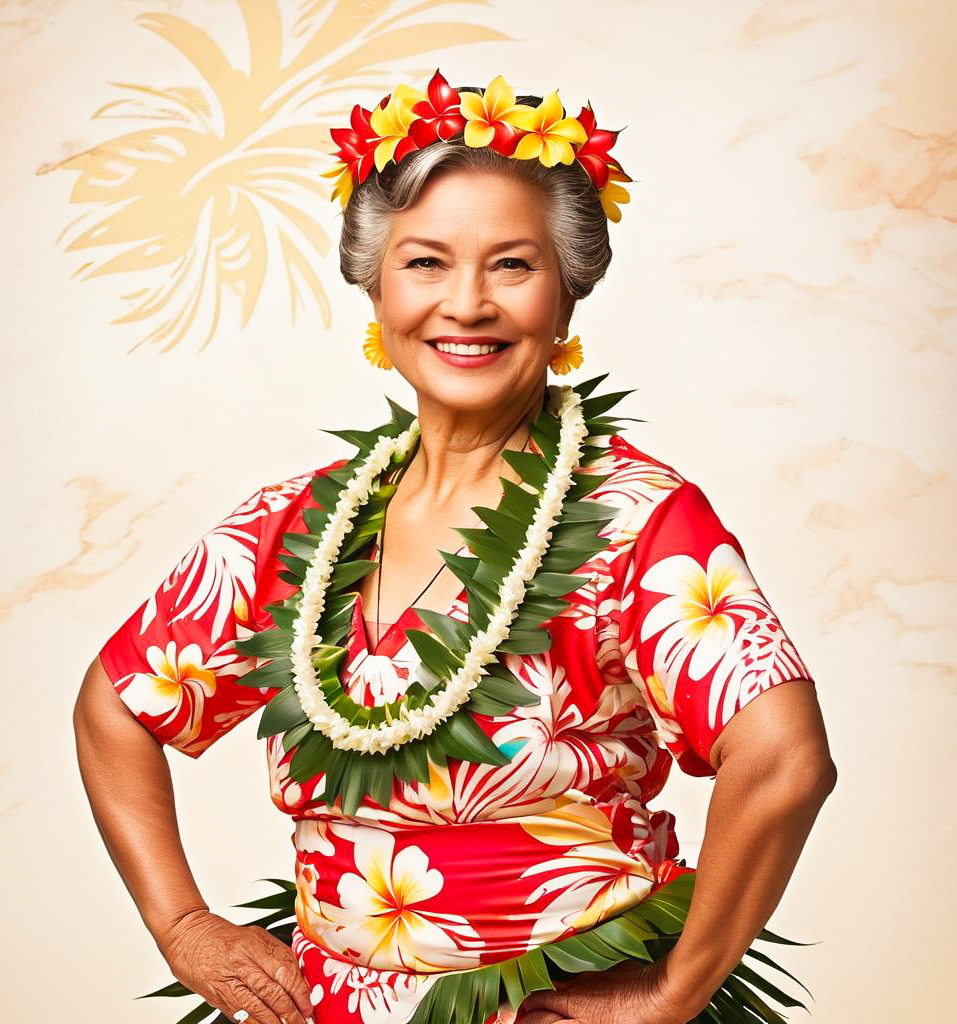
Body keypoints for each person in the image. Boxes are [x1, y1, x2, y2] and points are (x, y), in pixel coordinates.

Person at [73, 70, 836, 1024]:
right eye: (426, 262)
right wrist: (184, 924)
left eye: (511, 265)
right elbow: (116, 707)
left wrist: (674, 992)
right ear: (377, 288)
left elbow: (785, 759)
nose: (466, 303)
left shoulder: (634, 516)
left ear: (566, 298)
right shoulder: (289, 528)